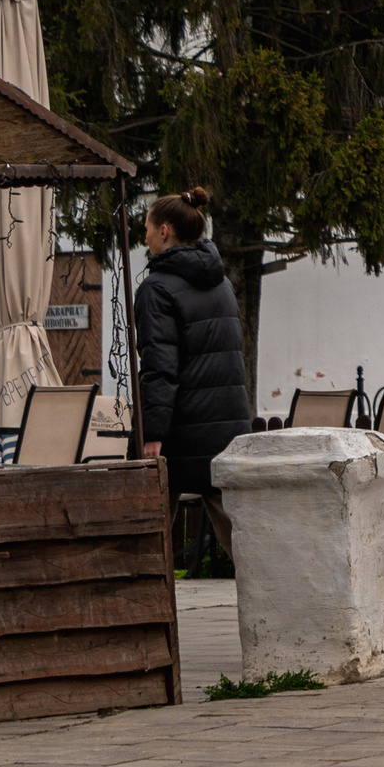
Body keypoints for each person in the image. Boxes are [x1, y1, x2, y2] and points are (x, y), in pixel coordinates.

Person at [133, 187, 251, 553]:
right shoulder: (222, 283)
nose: (145, 235)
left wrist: (152, 434)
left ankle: (143, 608)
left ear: (165, 230)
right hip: (226, 428)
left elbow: (159, 366)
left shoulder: (156, 289)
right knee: (243, 539)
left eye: (148, 227)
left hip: (178, 429)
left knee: (146, 534)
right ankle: (284, 602)